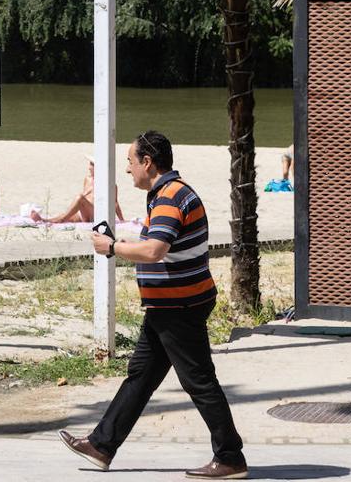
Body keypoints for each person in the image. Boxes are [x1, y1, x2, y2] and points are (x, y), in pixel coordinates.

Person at [60, 130, 247, 480]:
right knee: (141, 377)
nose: (128, 170)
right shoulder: (169, 194)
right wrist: (130, 243)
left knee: (199, 382)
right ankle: (102, 445)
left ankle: (230, 456)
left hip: (179, 306)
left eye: (130, 162)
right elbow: (162, 246)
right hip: (170, 306)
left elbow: (154, 250)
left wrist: (113, 248)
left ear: (148, 162)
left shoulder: (169, 197)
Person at [32, 158, 126, 224]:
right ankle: (45, 221)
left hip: (95, 215)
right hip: (84, 213)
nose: (89, 168)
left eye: (92, 165)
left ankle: (55, 220)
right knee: (66, 216)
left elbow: (115, 204)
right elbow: (85, 199)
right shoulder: (87, 179)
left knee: (79, 198)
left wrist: (122, 220)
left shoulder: (109, 185)